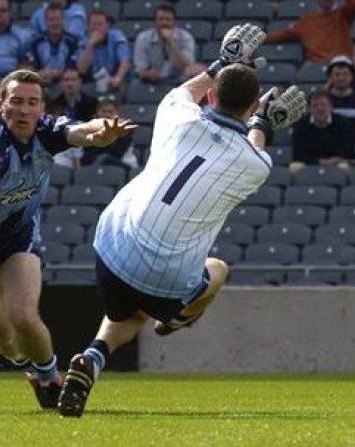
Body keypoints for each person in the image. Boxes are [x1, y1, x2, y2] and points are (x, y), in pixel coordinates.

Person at [56, 24, 307, 417]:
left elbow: (189, 90)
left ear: (212, 95)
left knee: (129, 311)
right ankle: (179, 317)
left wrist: (224, 61)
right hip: (167, 280)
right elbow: (254, 144)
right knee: (218, 269)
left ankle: (93, 356)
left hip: (110, 246)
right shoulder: (256, 164)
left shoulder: (174, 113)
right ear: (254, 104)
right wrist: (263, 123)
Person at [0, 68, 135, 409]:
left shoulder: (46, 130)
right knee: (5, 341)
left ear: (41, 107)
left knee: (22, 316)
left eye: (32, 103)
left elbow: (80, 131)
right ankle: (31, 369)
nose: (24, 110)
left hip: (16, 238)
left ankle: (51, 379)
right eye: (16, 102)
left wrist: (99, 133)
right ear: (0, 103)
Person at [265, 0, 355, 63]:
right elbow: (282, 35)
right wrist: (258, 38)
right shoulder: (308, 20)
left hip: (340, 62)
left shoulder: (343, 14)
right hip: (315, 65)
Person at [290, 90, 355, 173]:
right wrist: (320, 161)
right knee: (294, 167)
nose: (319, 109)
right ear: (309, 109)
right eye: (315, 105)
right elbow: (298, 153)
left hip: (337, 161)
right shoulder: (300, 124)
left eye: (323, 105)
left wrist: (336, 159)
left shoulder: (343, 123)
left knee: (344, 167)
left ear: (331, 107)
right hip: (309, 162)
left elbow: (347, 148)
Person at [133, 3, 201, 85]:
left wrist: (172, 42)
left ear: (174, 22)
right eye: (161, 19)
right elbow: (140, 69)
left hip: (179, 79)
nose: (164, 23)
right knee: (136, 83)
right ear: (155, 22)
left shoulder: (186, 37)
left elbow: (187, 67)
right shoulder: (143, 38)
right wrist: (148, 73)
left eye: (168, 19)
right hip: (152, 80)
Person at [76, 10, 131, 94]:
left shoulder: (116, 35)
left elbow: (125, 61)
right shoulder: (84, 41)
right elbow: (81, 69)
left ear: (107, 26)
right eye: (94, 24)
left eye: (100, 24)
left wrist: (118, 78)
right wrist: (91, 45)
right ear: (87, 26)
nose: (97, 28)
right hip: (94, 83)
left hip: (116, 80)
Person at [26, 4, 80, 85]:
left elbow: (74, 68)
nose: (55, 23)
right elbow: (32, 65)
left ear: (63, 20)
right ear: (45, 21)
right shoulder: (36, 42)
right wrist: (41, 74)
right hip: (40, 81)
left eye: (57, 19)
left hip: (65, 82)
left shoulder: (73, 41)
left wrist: (55, 74)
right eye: (51, 20)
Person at [80, 95, 134, 167]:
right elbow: (86, 155)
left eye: (110, 112)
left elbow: (118, 154)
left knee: (104, 158)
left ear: (116, 114)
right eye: (103, 111)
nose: (107, 115)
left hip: (122, 165)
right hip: (96, 166)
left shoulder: (124, 129)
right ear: (97, 114)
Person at [325, 55, 355, 128]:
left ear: (352, 76)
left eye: (345, 74)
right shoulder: (321, 102)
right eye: (337, 75)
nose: (341, 78)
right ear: (330, 77)